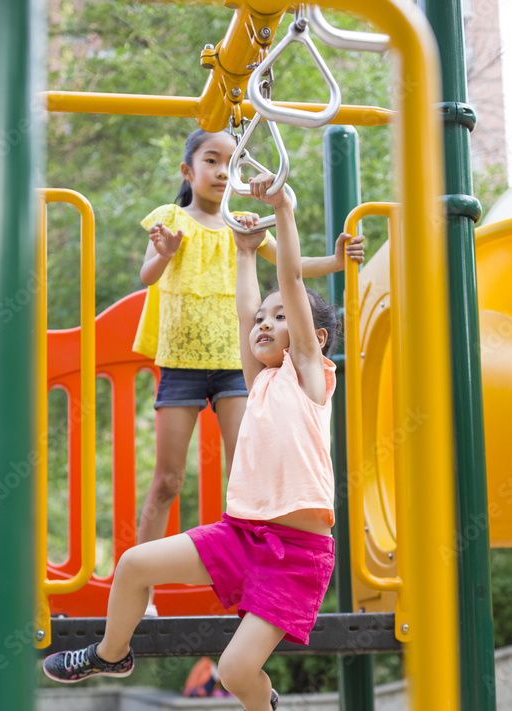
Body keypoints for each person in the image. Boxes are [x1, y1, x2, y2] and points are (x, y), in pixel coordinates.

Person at [44, 169, 351, 711]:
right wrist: (242, 256)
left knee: (238, 668)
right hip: (240, 535)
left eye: (280, 318)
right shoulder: (258, 381)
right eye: (264, 318)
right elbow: (243, 315)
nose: (265, 323)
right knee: (133, 563)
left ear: (313, 337)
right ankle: (112, 652)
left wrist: (283, 211)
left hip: (297, 552)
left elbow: (289, 279)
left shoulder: (311, 378)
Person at [133, 127, 364, 613]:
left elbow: (291, 264)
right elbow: (148, 274)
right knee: (168, 480)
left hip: (237, 369)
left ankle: (248, 577)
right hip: (182, 363)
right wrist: (167, 252)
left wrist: (338, 261)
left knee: (249, 467)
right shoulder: (172, 220)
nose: (220, 171)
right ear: (188, 171)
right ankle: (144, 590)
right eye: (210, 160)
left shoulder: (243, 224)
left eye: (229, 162)